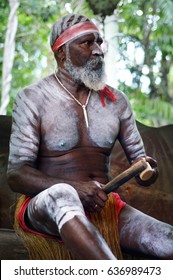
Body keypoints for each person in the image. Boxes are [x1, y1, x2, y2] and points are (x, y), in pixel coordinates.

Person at [7, 14, 173, 260]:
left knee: (167, 240)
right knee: (63, 194)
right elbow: (16, 174)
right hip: (46, 205)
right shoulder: (33, 98)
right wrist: (75, 188)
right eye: (87, 43)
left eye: (99, 42)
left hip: (103, 207)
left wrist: (147, 171)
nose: (98, 51)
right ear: (61, 52)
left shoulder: (117, 102)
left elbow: (141, 163)